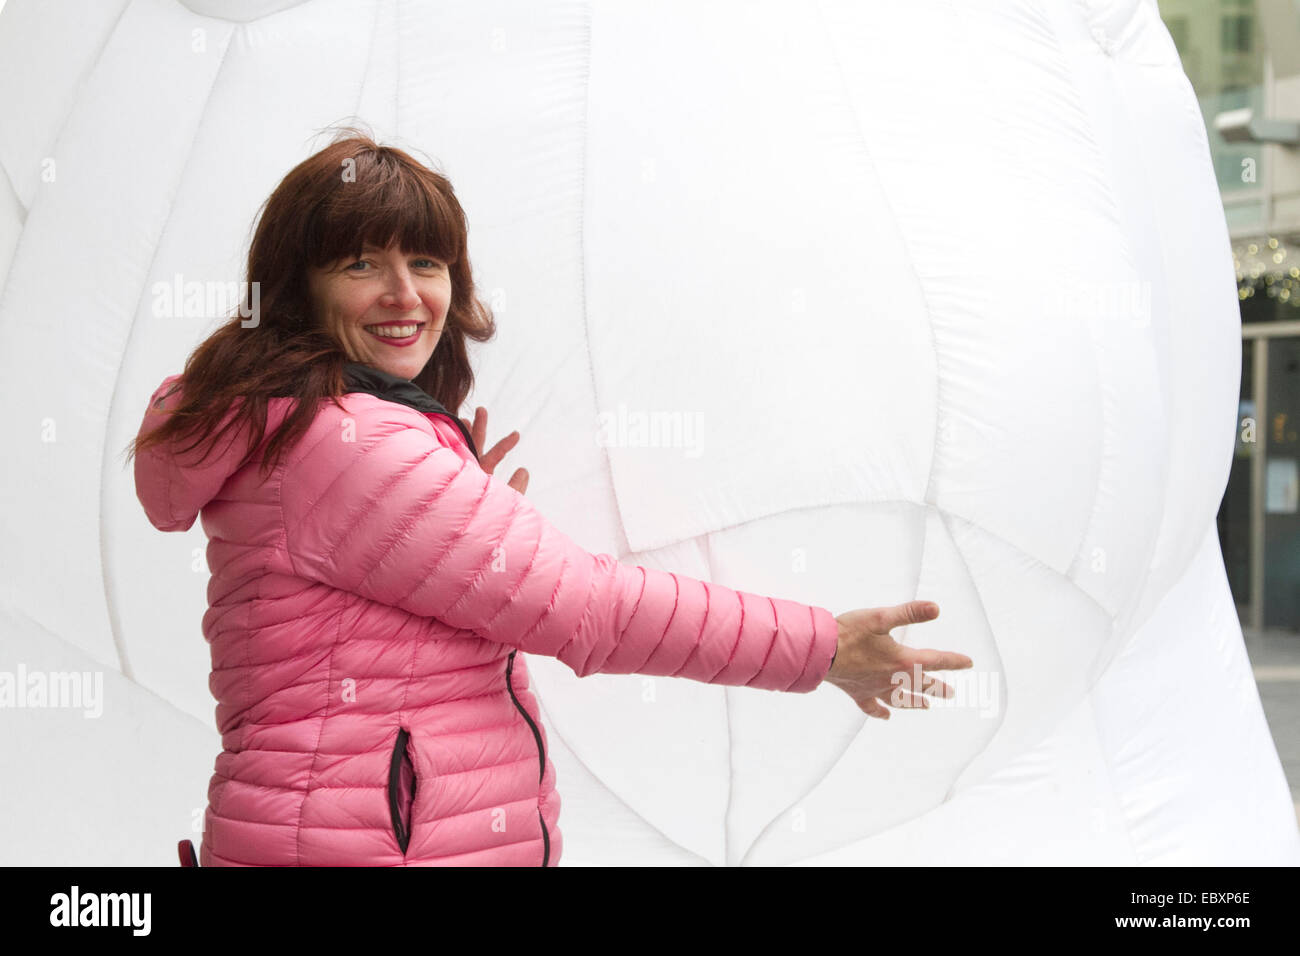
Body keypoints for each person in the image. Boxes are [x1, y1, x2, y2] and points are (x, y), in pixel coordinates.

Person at [127, 127, 973, 867]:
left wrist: (450, 507)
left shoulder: (310, 428)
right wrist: (821, 647)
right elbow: (588, 610)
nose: (406, 294)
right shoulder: (346, 445)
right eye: (360, 264)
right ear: (297, 288)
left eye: (425, 262)